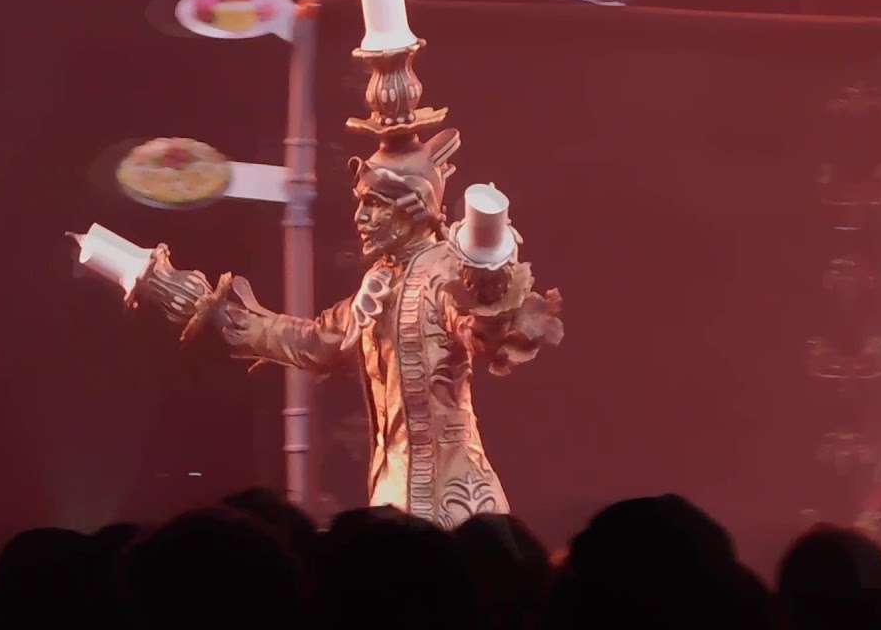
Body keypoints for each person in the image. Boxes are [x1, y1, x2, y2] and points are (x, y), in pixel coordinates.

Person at [138, 129, 563, 528]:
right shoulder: (382, 281)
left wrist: (489, 282)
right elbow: (317, 341)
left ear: (412, 209)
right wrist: (216, 311)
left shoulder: (443, 274)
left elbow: (482, 328)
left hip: (460, 504)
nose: (360, 216)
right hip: (394, 495)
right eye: (361, 202)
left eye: (374, 204)